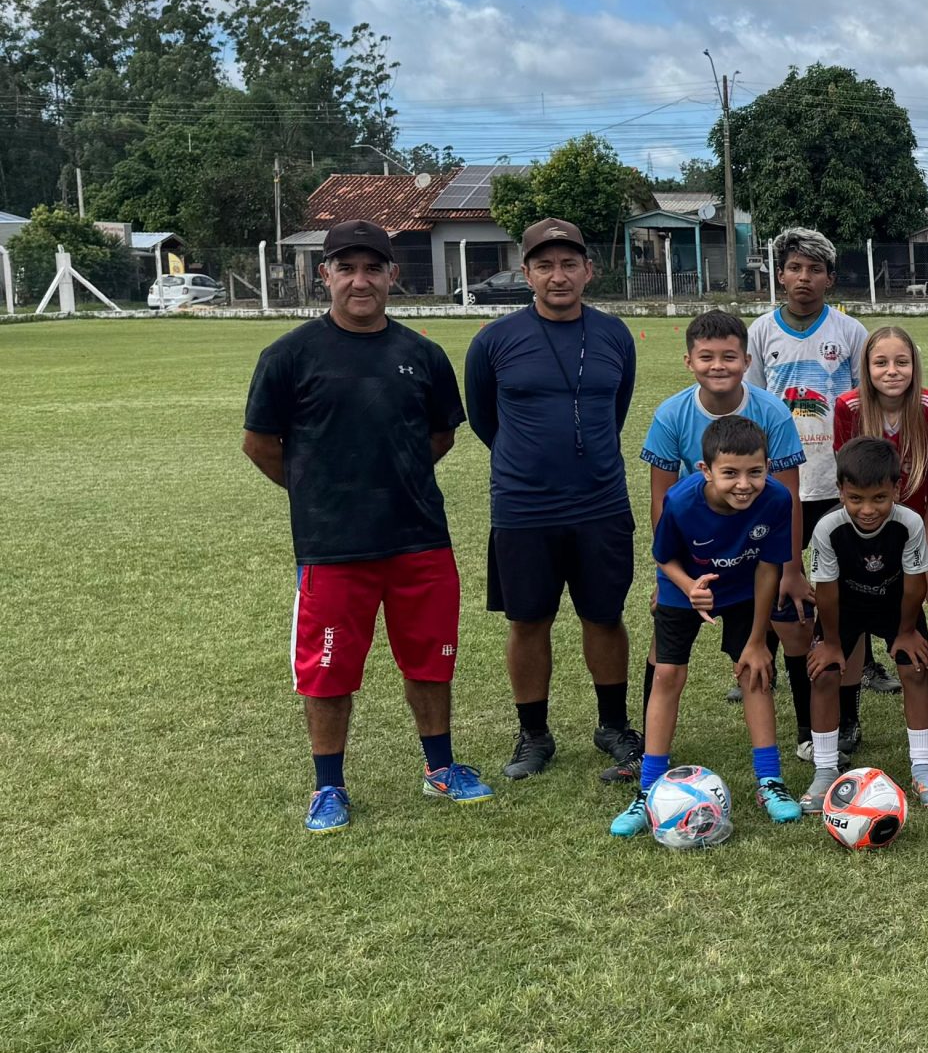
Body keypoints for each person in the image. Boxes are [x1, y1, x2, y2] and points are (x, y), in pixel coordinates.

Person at [245, 219, 486, 832]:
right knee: (328, 669)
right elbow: (259, 444)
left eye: (372, 268)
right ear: (323, 275)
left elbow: (440, 435)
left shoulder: (422, 355)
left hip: (419, 539)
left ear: (392, 276)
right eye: (345, 268)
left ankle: (440, 767)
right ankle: (329, 786)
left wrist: (394, 477)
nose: (359, 280)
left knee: (431, 660)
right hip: (332, 545)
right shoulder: (289, 355)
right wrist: (319, 491)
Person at [462, 218, 641, 784]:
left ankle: (613, 725)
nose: (557, 276)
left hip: (601, 504)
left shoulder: (615, 336)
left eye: (569, 264)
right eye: (544, 265)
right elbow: (484, 419)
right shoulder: (494, 340)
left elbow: (615, 414)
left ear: (589, 270)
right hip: (524, 508)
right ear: (526, 272)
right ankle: (533, 733)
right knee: (528, 620)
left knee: (605, 616)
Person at [635, 310, 807, 777]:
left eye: (729, 356)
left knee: (776, 638)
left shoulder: (770, 411)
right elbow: (661, 501)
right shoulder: (671, 414)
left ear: (746, 360)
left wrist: (791, 570)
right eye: (706, 357)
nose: (718, 366)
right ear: (688, 361)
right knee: (665, 656)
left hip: (751, 558)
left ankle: (806, 741)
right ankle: (647, 759)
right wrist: (670, 576)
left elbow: (786, 497)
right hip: (690, 558)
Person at [612, 415, 797, 836]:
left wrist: (756, 640)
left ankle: (770, 782)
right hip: (685, 585)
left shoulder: (777, 499)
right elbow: (664, 558)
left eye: (755, 472)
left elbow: (770, 568)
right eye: (729, 473)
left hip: (746, 587)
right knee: (668, 674)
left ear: (768, 466)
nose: (744, 484)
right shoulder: (680, 501)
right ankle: (648, 791)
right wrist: (688, 586)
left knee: (755, 672)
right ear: (705, 470)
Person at [746, 226, 869, 764]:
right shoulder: (759, 332)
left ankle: (848, 719)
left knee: (843, 605)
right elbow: (750, 403)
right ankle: (806, 723)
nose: (804, 278)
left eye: (814, 270)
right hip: (778, 489)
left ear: (830, 278)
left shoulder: (850, 331)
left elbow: (868, 402)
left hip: (836, 485)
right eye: (795, 268)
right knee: (791, 605)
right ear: (780, 274)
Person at [801, 438, 928, 808]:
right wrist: (830, 643)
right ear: (841, 490)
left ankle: (923, 767)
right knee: (825, 672)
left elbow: (915, 585)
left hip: (896, 605)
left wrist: (907, 632)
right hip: (844, 607)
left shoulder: (908, 523)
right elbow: (826, 592)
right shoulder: (828, 528)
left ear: (896, 488)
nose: (867, 509)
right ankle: (825, 769)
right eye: (856, 498)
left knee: (915, 669)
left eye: (879, 498)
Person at [832, 325, 928, 704]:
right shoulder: (848, 407)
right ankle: (848, 716)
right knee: (848, 616)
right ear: (866, 368)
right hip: (867, 527)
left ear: (914, 366)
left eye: (901, 362)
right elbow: (846, 474)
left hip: (919, 523)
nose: (892, 371)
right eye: (880, 362)